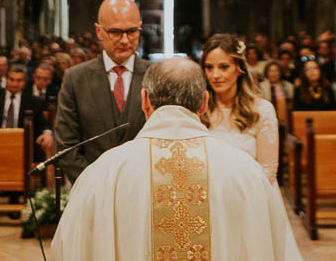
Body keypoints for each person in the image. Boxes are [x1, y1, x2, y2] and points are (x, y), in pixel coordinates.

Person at [51, 58, 303, 261]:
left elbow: (68, 247)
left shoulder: (105, 172)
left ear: (145, 101)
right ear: (204, 103)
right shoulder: (246, 172)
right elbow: (275, 247)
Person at [53, 0, 152, 184]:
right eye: (116, 32)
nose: (124, 40)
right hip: (92, 188)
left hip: (143, 188)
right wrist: (95, 184)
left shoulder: (156, 76)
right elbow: (66, 146)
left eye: (132, 31)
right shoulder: (75, 78)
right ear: (99, 31)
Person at [201, 33, 280, 185]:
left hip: (251, 194)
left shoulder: (261, 110)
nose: (215, 75)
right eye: (209, 67)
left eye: (224, 67)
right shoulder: (199, 109)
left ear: (239, 68)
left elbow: (268, 170)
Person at [0, 64, 53, 154]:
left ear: (24, 82)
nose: (15, 84)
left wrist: (47, 133)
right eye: (11, 79)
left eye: (19, 80)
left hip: (22, 145)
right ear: (6, 79)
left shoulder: (34, 101)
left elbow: (44, 124)